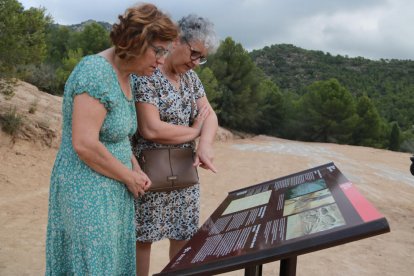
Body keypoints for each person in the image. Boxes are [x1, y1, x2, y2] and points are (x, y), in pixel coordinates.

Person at [45, 4, 178, 275]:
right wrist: (128, 176)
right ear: (136, 42)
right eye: (159, 50)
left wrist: (135, 168)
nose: (162, 60)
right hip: (87, 190)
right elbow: (84, 143)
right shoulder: (95, 73)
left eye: (166, 52)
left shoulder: (128, 76)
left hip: (113, 186)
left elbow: (117, 137)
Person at [130, 14, 219, 276]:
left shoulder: (191, 79)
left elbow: (210, 115)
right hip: (147, 172)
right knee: (142, 239)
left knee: (184, 234)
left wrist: (205, 143)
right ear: (177, 40)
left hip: (183, 172)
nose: (196, 63)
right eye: (194, 54)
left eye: (201, 57)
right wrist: (193, 132)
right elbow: (151, 128)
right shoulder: (147, 72)